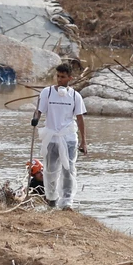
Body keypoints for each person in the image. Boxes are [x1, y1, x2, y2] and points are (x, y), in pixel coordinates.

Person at [31, 63, 89, 209]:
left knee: (68, 170)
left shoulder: (75, 96)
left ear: (70, 78)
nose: (59, 79)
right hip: (51, 137)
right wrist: (36, 118)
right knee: (50, 170)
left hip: (68, 138)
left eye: (62, 77)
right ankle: (51, 198)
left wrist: (84, 141)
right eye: (57, 76)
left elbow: (80, 119)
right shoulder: (47, 92)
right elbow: (39, 110)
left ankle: (67, 201)